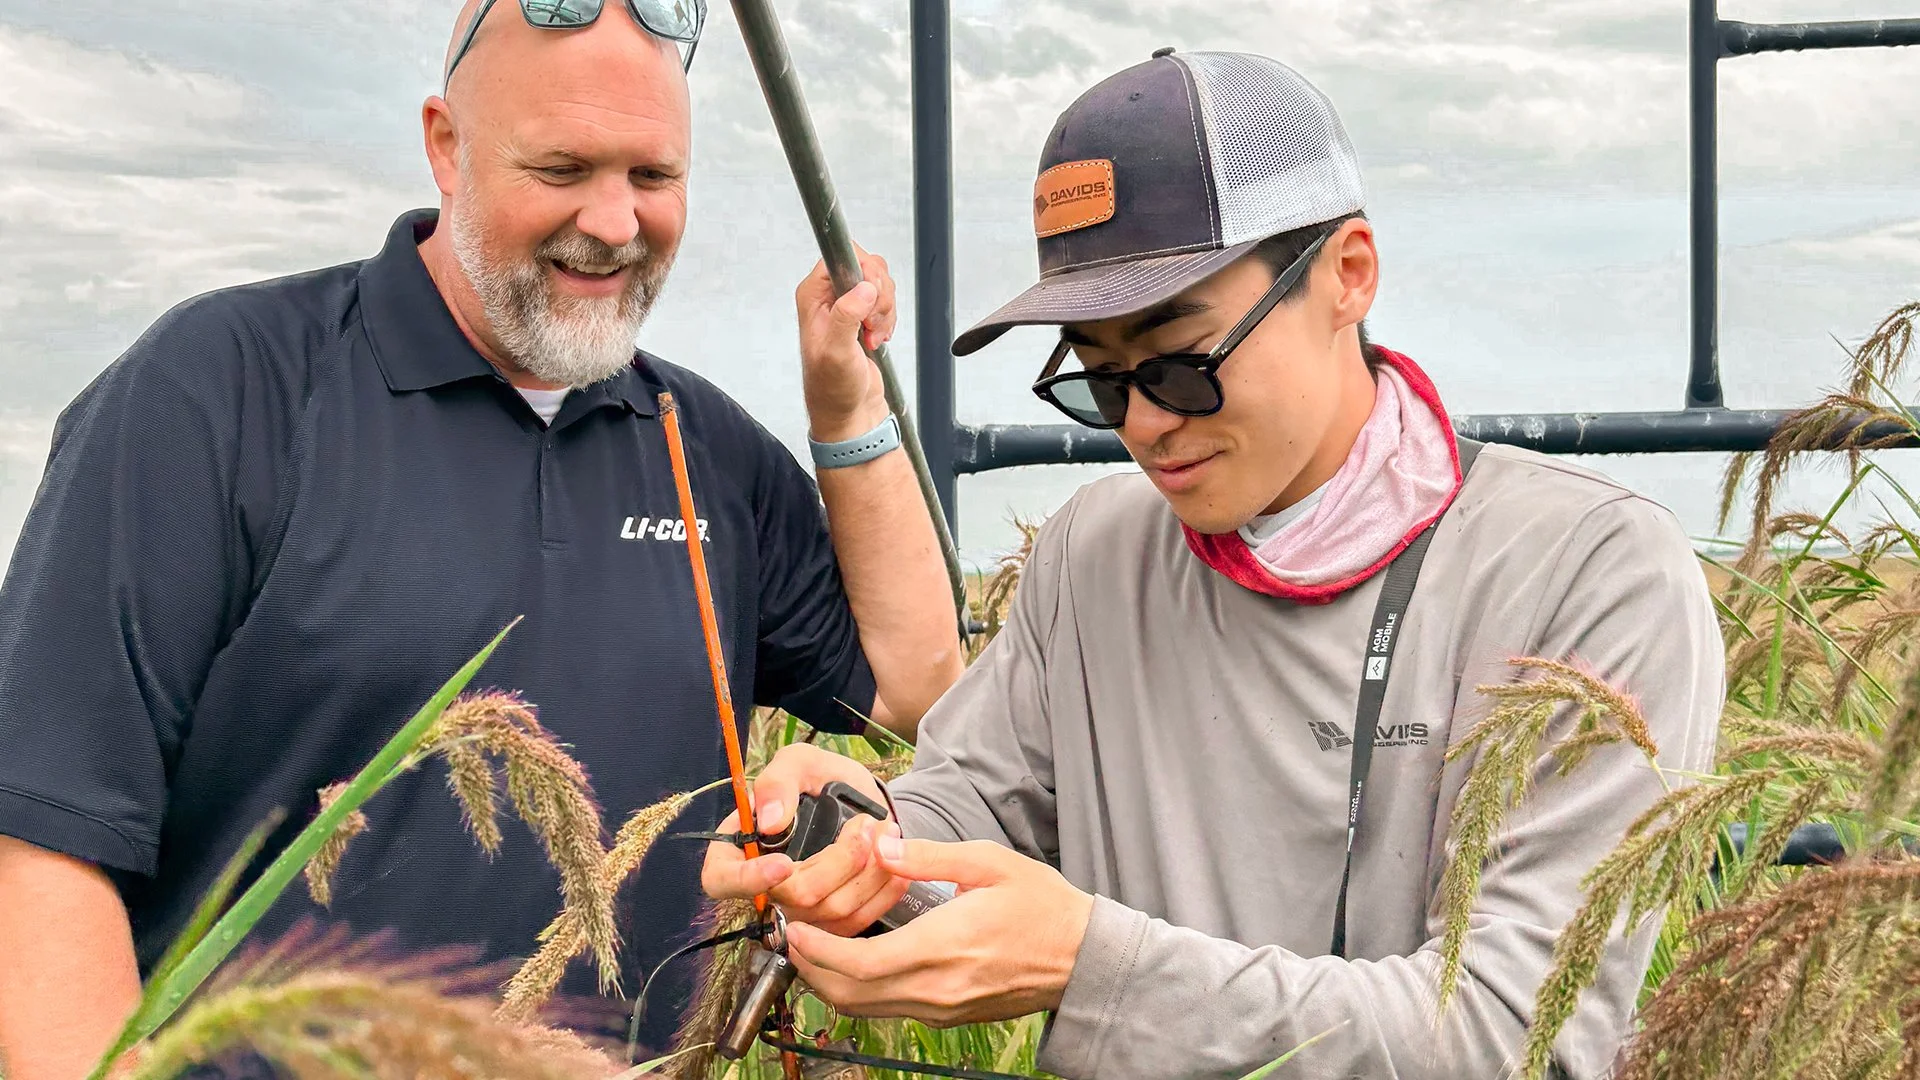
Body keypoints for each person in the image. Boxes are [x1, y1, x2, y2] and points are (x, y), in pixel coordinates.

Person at [702, 48, 1724, 1079]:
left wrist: (1093, 966)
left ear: (1348, 274)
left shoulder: (1586, 573)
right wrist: (862, 835)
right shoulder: (1092, 555)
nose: (1144, 427)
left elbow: (1517, 1035)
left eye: (1182, 364)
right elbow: (971, 808)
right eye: (1100, 384)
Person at [0, 2, 964, 1075]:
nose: (612, 222)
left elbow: (914, 685)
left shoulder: (705, 452)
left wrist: (847, 408)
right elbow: (44, 842)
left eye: (654, 177)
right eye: (561, 168)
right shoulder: (218, 391)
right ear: (445, 146)